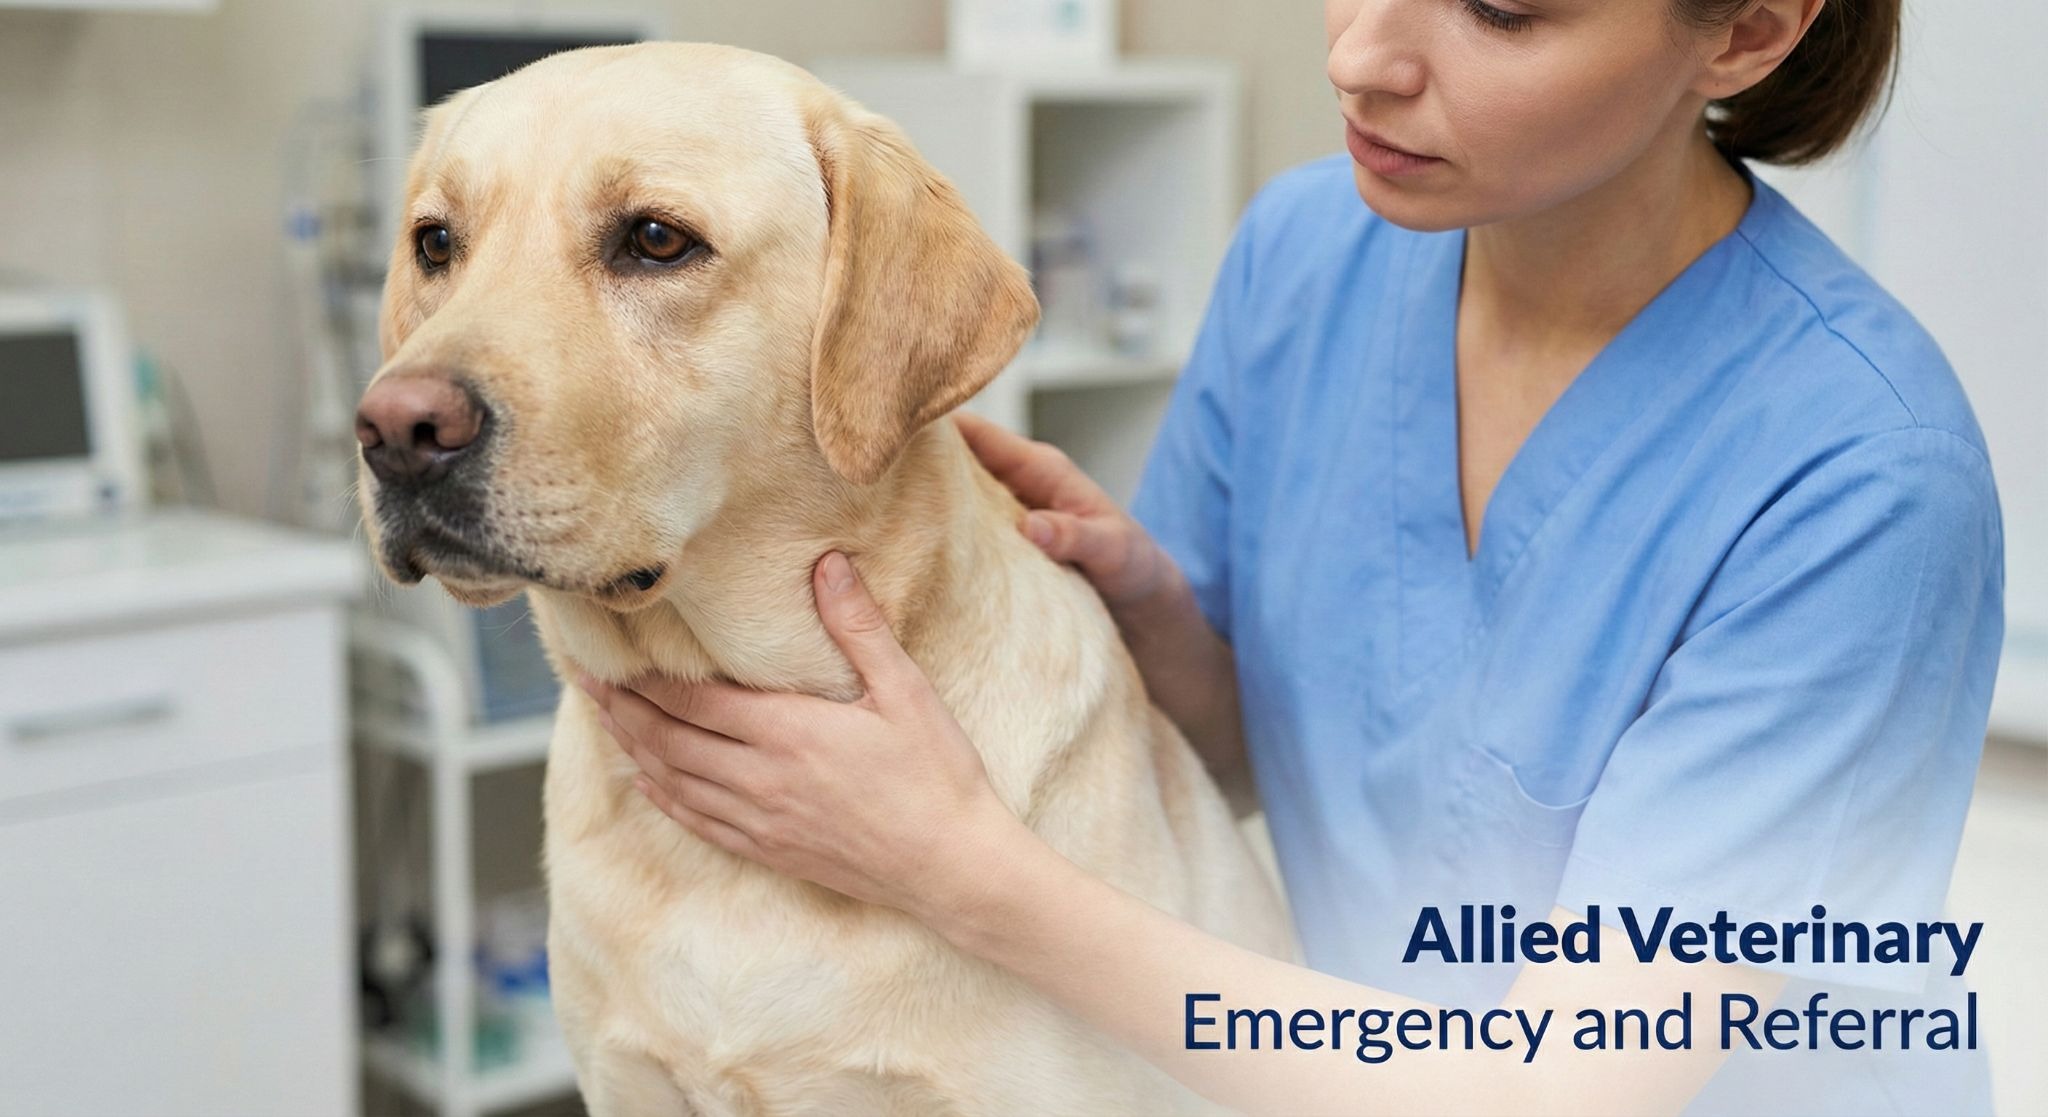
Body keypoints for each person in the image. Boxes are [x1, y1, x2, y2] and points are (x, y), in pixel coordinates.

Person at [574, 0, 2005, 1111]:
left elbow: (1560, 1087)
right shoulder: (1311, 251)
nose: (1365, 56)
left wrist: (959, 867)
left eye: (1499, 10)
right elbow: (1272, 758)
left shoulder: (1857, 475)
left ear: (1748, 31)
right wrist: (1166, 634)